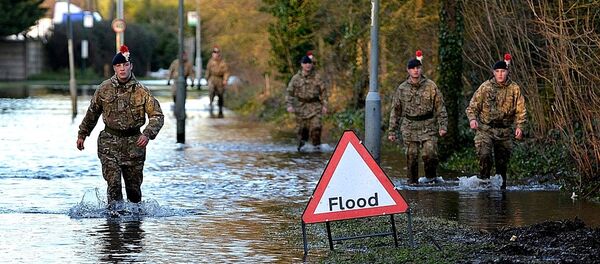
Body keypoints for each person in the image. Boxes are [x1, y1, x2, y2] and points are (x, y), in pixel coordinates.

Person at [76, 45, 164, 206]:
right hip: (109, 143)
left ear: (131, 66)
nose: (122, 69)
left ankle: (134, 228)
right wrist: (82, 134)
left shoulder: (142, 91)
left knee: (134, 192)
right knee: (114, 186)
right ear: (114, 68)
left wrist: (147, 134)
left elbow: (156, 115)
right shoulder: (104, 88)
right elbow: (92, 113)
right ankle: (113, 226)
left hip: (134, 145)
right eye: (118, 66)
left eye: (125, 65)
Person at [465, 54, 526, 189]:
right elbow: (472, 107)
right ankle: (484, 185)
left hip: (504, 131)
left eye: (503, 71)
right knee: (484, 155)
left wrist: (519, 127)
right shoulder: (485, 87)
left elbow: (521, 110)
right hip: (485, 129)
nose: (500, 74)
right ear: (493, 73)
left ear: (507, 72)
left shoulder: (514, 89)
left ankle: (500, 194)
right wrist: (473, 119)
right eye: (497, 71)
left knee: (502, 165)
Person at [388, 53, 448, 185]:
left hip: (428, 125)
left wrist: (443, 126)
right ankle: (412, 183)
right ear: (408, 70)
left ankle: (431, 178)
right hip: (409, 126)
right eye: (413, 68)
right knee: (412, 155)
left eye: (418, 68)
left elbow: (440, 107)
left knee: (430, 154)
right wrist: (392, 131)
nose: (416, 70)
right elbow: (396, 110)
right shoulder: (402, 88)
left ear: (421, 69)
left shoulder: (431, 86)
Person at [286, 55, 328, 152]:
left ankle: (316, 150)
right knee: (302, 132)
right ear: (301, 65)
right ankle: (302, 152)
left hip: (315, 107)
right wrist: (289, 105)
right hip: (301, 108)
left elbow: (324, 92)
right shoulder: (296, 78)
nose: (308, 65)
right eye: (305, 63)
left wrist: (325, 105)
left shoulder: (317, 77)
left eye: (309, 63)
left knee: (316, 128)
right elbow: (289, 92)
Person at [205, 46, 230, 118]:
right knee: (211, 91)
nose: (216, 54)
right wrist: (207, 79)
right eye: (214, 52)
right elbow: (208, 71)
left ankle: (220, 109)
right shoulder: (210, 62)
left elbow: (226, 72)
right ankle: (211, 104)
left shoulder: (223, 62)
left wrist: (225, 80)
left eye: (217, 52)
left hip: (220, 79)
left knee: (220, 94)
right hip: (212, 78)